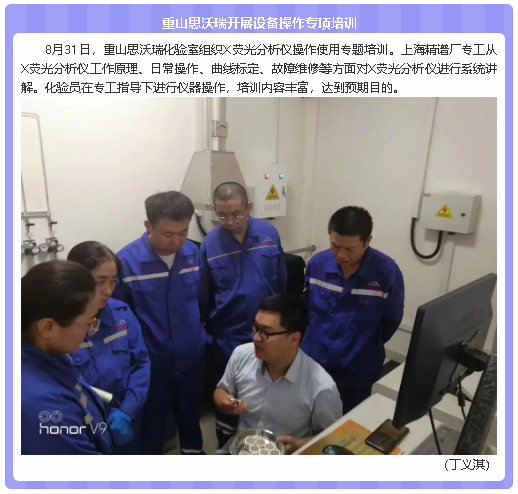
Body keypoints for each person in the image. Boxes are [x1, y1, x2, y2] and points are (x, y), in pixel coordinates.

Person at [114, 191, 206, 455]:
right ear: (148, 226)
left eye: (183, 232)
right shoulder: (126, 263)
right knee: (151, 425)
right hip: (151, 363)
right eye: (168, 234)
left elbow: (203, 299)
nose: (177, 241)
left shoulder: (193, 253)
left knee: (191, 418)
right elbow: (121, 319)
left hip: (191, 358)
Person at [200, 182, 287, 447]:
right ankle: (227, 447)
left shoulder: (269, 234)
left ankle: (262, 445)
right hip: (228, 337)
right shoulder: (210, 244)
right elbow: (204, 295)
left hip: (268, 334)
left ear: (249, 207)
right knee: (228, 399)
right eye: (222, 215)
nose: (230, 222)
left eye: (236, 214)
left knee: (266, 395)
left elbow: (281, 282)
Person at [302, 206, 405, 413]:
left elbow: (392, 319)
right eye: (335, 246)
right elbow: (306, 308)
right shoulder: (317, 265)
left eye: (350, 249)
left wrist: (364, 345)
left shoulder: (386, 273)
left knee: (351, 422)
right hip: (316, 361)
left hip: (359, 368)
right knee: (310, 418)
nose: (340, 254)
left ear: (367, 241)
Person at [214, 293, 343, 454]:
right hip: (241, 448)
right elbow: (221, 389)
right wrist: (225, 403)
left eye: (265, 332)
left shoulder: (321, 387)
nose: (255, 338)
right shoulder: (241, 355)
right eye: (255, 327)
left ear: (294, 339)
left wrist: (298, 445)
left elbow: (333, 436)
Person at [21, 260, 115, 455]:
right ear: (48, 327)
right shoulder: (46, 409)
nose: (90, 331)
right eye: (89, 322)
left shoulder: (48, 355)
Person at [67, 241, 151, 454]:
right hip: (84, 425)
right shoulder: (62, 326)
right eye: (100, 282)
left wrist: (128, 411)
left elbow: (141, 363)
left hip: (126, 417)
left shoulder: (121, 314)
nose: (108, 291)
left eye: (113, 281)